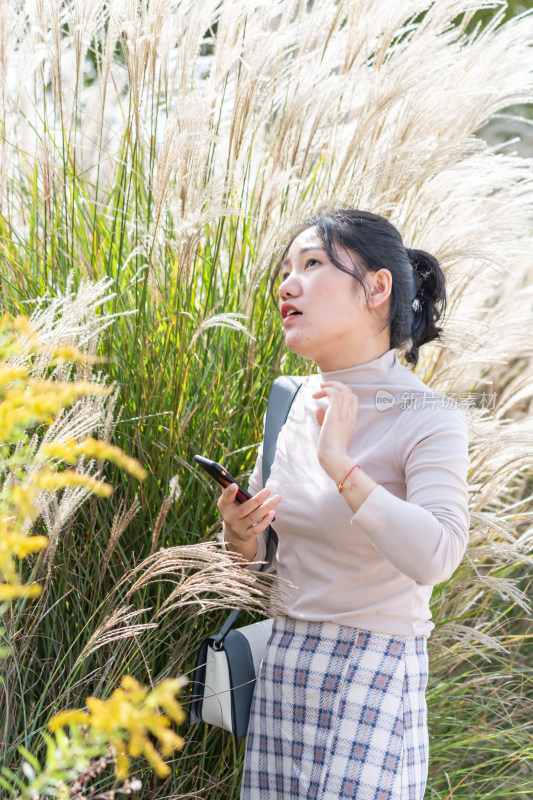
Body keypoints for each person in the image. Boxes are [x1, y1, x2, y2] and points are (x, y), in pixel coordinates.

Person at [217, 209, 470, 800]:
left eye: (312, 264)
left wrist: (343, 468)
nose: (287, 285)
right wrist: (239, 534)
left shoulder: (430, 417)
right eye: (286, 270)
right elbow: (256, 570)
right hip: (285, 667)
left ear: (377, 289)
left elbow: (437, 555)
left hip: (374, 675)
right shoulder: (290, 401)